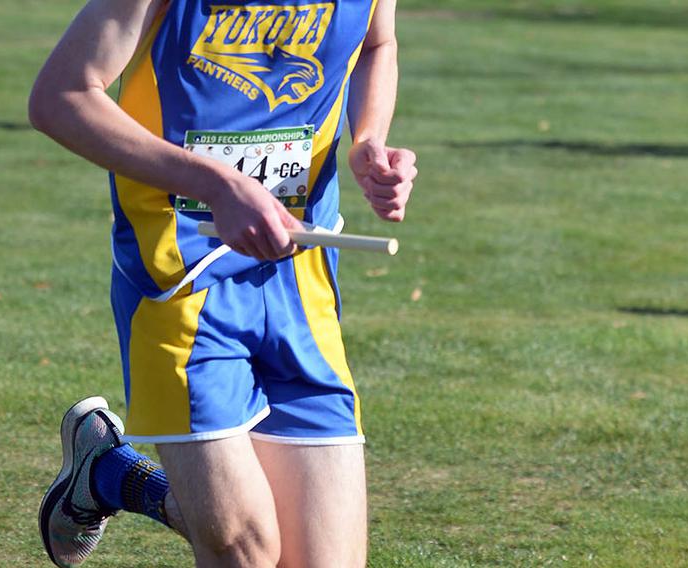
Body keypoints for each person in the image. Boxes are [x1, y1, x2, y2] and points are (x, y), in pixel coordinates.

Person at [29, 0, 417, 566]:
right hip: (180, 279)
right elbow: (61, 97)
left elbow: (377, 45)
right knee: (246, 547)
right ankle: (116, 476)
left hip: (301, 278)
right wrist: (215, 184)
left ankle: (108, 474)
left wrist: (368, 142)